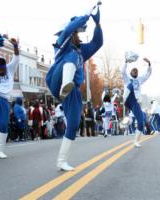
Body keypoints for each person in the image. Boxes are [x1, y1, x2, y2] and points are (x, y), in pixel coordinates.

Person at [45, 3, 103, 171]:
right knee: (71, 56)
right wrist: (86, 13)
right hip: (57, 80)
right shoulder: (61, 45)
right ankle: (66, 83)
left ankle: (61, 161)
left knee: (74, 124)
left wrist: (97, 23)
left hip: (72, 91)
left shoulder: (81, 50)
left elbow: (97, 43)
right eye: (77, 33)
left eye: (78, 33)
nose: (78, 35)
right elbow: (71, 27)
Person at [0, 37, 19, 158]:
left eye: (2, 67)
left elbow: (16, 57)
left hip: (4, 100)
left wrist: (15, 45)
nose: (1, 70)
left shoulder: (10, 68)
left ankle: (0, 151)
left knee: (3, 125)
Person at [122, 52, 152, 147]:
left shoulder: (139, 79)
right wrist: (126, 62)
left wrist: (149, 64)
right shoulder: (127, 78)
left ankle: (136, 140)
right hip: (128, 99)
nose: (135, 72)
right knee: (130, 85)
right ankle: (124, 98)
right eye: (133, 71)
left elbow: (147, 74)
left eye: (136, 71)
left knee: (141, 122)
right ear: (130, 72)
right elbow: (122, 71)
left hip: (135, 102)